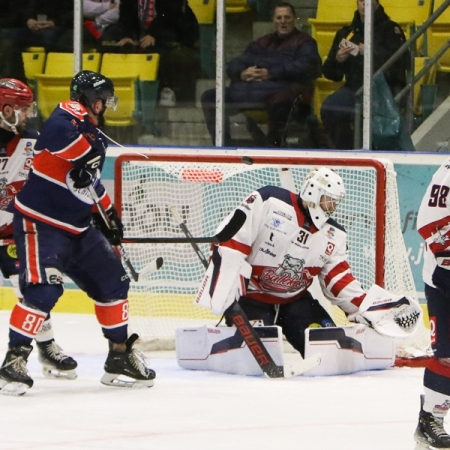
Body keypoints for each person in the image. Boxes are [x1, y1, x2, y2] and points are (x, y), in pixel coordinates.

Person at [0, 71, 155, 395]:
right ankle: (14, 361)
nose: (107, 107)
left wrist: (109, 215)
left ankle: (119, 357)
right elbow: (56, 133)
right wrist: (86, 154)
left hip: (78, 228)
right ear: (93, 99)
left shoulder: (92, 133)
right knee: (43, 291)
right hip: (40, 225)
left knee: (114, 281)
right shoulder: (71, 112)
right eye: (105, 100)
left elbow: (87, 182)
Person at [195, 167, 421, 360]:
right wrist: (225, 281)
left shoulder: (334, 235)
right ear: (313, 192)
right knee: (254, 357)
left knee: (332, 350)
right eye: (329, 200)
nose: (332, 207)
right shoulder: (269, 200)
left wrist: (366, 307)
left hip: (295, 303)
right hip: (252, 300)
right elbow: (230, 239)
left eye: (336, 202)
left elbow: (338, 281)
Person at [0, 78, 78, 380]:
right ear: (5, 109)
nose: (29, 114)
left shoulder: (33, 141)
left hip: (9, 233)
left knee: (30, 291)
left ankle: (46, 347)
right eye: (22, 108)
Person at [201, 2, 321, 147]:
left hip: (283, 90)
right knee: (210, 97)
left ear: (294, 19)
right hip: (253, 90)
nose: (283, 22)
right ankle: (222, 144)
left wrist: (270, 73)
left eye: (287, 17)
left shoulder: (304, 42)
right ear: (273, 20)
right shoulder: (262, 42)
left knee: (281, 100)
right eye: (279, 18)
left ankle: (274, 146)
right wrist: (242, 73)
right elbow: (237, 62)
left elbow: (307, 66)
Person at [320, 0, 409, 150]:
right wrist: (338, 60)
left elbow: (403, 61)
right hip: (355, 89)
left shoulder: (391, 29)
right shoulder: (347, 33)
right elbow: (330, 73)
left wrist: (370, 52)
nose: (364, 4)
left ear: (376, 3)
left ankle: (373, 151)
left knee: (366, 112)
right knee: (330, 107)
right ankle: (347, 151)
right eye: (361, 0)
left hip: (384, 90)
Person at [414, 158, 450, 448]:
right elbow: (430, 226)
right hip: (445, 276)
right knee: (448, 355)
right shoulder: (448, 173)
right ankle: (430, 420)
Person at [111, 0, 200, 105]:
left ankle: (167, 89)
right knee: (115, 42)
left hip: (172, 35)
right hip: (143, 36)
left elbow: (169, 16)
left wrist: (152, 33)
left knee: (162, 49)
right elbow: (125, 17)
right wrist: (127, 36)